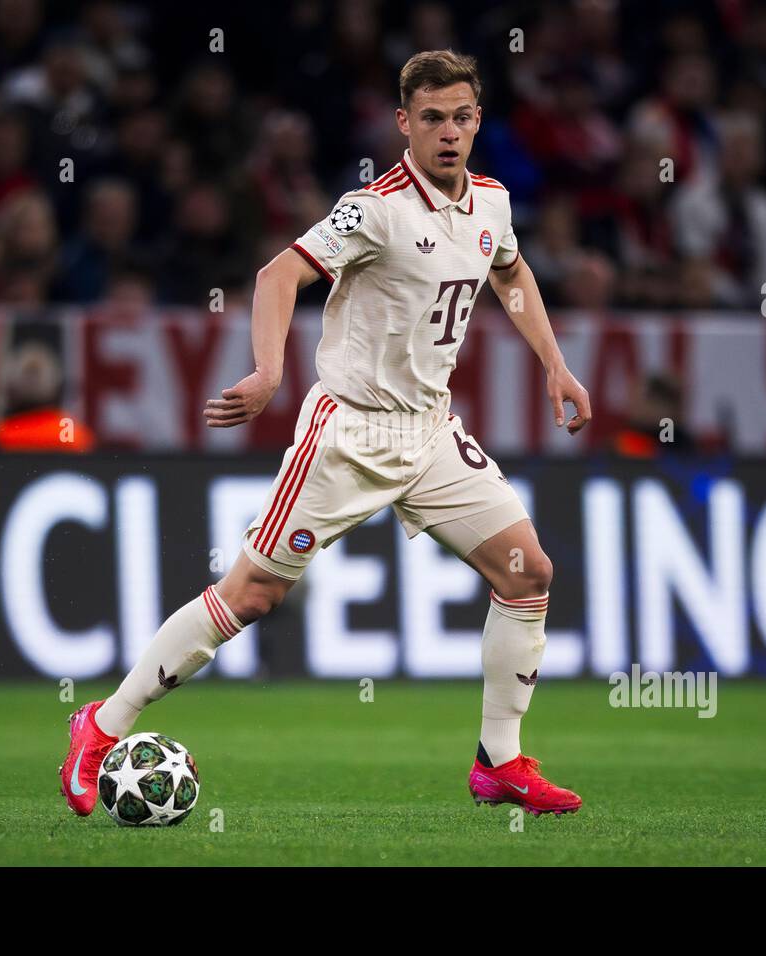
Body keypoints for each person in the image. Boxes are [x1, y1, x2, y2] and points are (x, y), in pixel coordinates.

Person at [60, 50, 592, 817]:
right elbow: (279, 275)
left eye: (462, 117)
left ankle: (499, 763)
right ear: (403, 123)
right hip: (350, 434)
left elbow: (509, 272)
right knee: (251, 594)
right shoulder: (372, 208)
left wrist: (554, 363)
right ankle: (102, 725)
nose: (449, 133)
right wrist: (269, 373)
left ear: (479, 121)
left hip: (432, 432)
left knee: (528, 573)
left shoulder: (493, 203)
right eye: (432, 118)